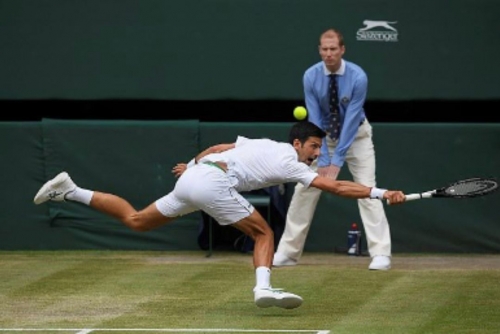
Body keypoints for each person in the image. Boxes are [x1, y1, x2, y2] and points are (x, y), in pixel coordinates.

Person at [33, 121, 406, 309]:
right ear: (297, 143)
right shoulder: (291, 162)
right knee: (264, 235)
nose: (315, 155)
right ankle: (263, 289)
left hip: (196, 177)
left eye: (318, 149)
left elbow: (219, 147)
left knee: (136, 220)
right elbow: (337, 187)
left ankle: (69, 190)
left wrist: (193, 166)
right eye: (312, 147)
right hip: (212, 183)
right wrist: (380, 192)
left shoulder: (262, 143)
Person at [273, 28, 393, 270]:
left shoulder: (358, 76)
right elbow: (315, 118)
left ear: (342, 50)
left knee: (367, 189)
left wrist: (336, 160)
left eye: (333, 49)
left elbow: (350, 120)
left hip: (357, 136)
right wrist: (325, 154)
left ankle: (381, 254)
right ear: (319, 50)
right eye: (324, 49)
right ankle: (287, 253)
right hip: (323, 138)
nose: (328, 54)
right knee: (303, 190)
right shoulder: (310, 76)